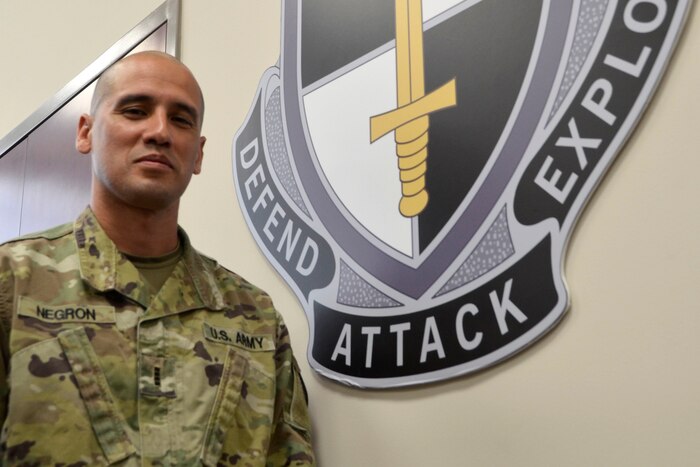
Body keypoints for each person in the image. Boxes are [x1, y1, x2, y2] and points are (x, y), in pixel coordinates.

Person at [0, 51, 314, 466]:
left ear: (198, 154)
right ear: (86, 133)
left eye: (181, 120)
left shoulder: (254, 315)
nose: (160, 131)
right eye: (135, 111)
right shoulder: (14, 281)